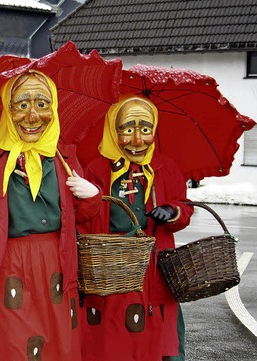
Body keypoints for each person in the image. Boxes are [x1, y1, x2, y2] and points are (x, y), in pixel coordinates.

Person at [0, 70, 101, 360]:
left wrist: (92, 196)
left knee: (60, 347)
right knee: (16, 348)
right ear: (9, 112)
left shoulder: (65, 158)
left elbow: (82, 218)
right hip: (10, 268)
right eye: (22, 105)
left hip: (57, 264)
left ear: (54, 109)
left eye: (42, 104)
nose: (32, 116)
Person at [78, 95, 193, 361]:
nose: (138, 140)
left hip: (155, 271)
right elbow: (80, 219)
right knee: (111, 342)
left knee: (159, 338)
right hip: (112, 270)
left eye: (146, 129)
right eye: (128, 130)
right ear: (112, 130)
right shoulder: (95, 171)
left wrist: (173, 210)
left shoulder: (165, 167)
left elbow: (185, 207)